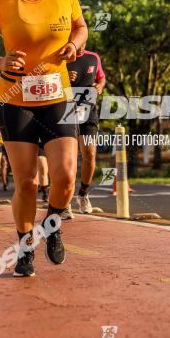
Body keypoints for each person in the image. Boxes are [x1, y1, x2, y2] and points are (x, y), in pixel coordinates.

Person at [0, 0, 88, 277]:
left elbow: (80, 28)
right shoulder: (1, 0)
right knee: (26, 182)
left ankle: (52, 224)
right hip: (16, 101)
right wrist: (0, 61)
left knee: (65, 176)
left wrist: (74, 46)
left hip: (58, 97)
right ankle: (24, 248)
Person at [66, 47, 106, 214]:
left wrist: (99, 86)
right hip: (65, 114)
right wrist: (64, 79)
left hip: (88, 114)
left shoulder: (94, 57)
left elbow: (101, 78)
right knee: (69, 160)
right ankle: (64, 201)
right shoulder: (62, 58)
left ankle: (83, 194)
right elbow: (48, 83)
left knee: (89, 154)